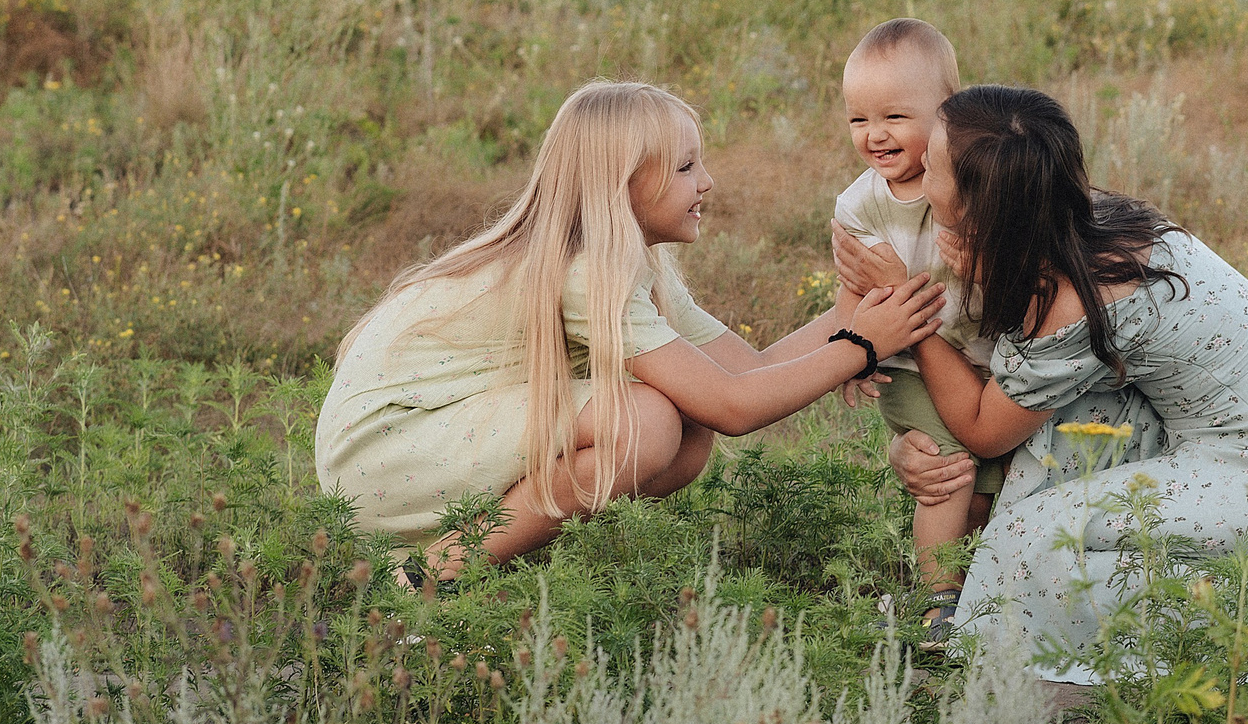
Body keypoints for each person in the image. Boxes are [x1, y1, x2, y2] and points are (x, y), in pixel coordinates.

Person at [316, 79, 944, 580]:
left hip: (426, 434)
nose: (707, 182)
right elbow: (734, 406)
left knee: (681, 425)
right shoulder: (586, 274)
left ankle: (478, 555)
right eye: (685, 167)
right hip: (384, 447)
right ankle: (428, 576)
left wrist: (864, 301)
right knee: (647, 422)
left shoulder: (631, 263)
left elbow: (744, 370)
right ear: (622, 185)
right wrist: (863, 345)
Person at [860, 84, 1248, 682]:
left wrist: (906, 313)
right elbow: (1008, 388)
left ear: (978, 205)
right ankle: (986, 614)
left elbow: (982, 429)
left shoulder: (1078, 295)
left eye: (934, 164)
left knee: (1027, 543)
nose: (919, 163)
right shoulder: (1076, 225)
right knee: (1052, 440)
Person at [829, 18, 1001, 639]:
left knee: (991, 484)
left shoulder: (974, 185)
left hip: (982, 357)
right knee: (947, 469)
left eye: (895, 118)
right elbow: (853, 282)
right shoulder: (862, 203)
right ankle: (938, 599)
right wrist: (856, 349)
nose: (874, 135)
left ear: (948, 115)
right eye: (858, 120)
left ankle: (981, 577)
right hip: (908, 364)